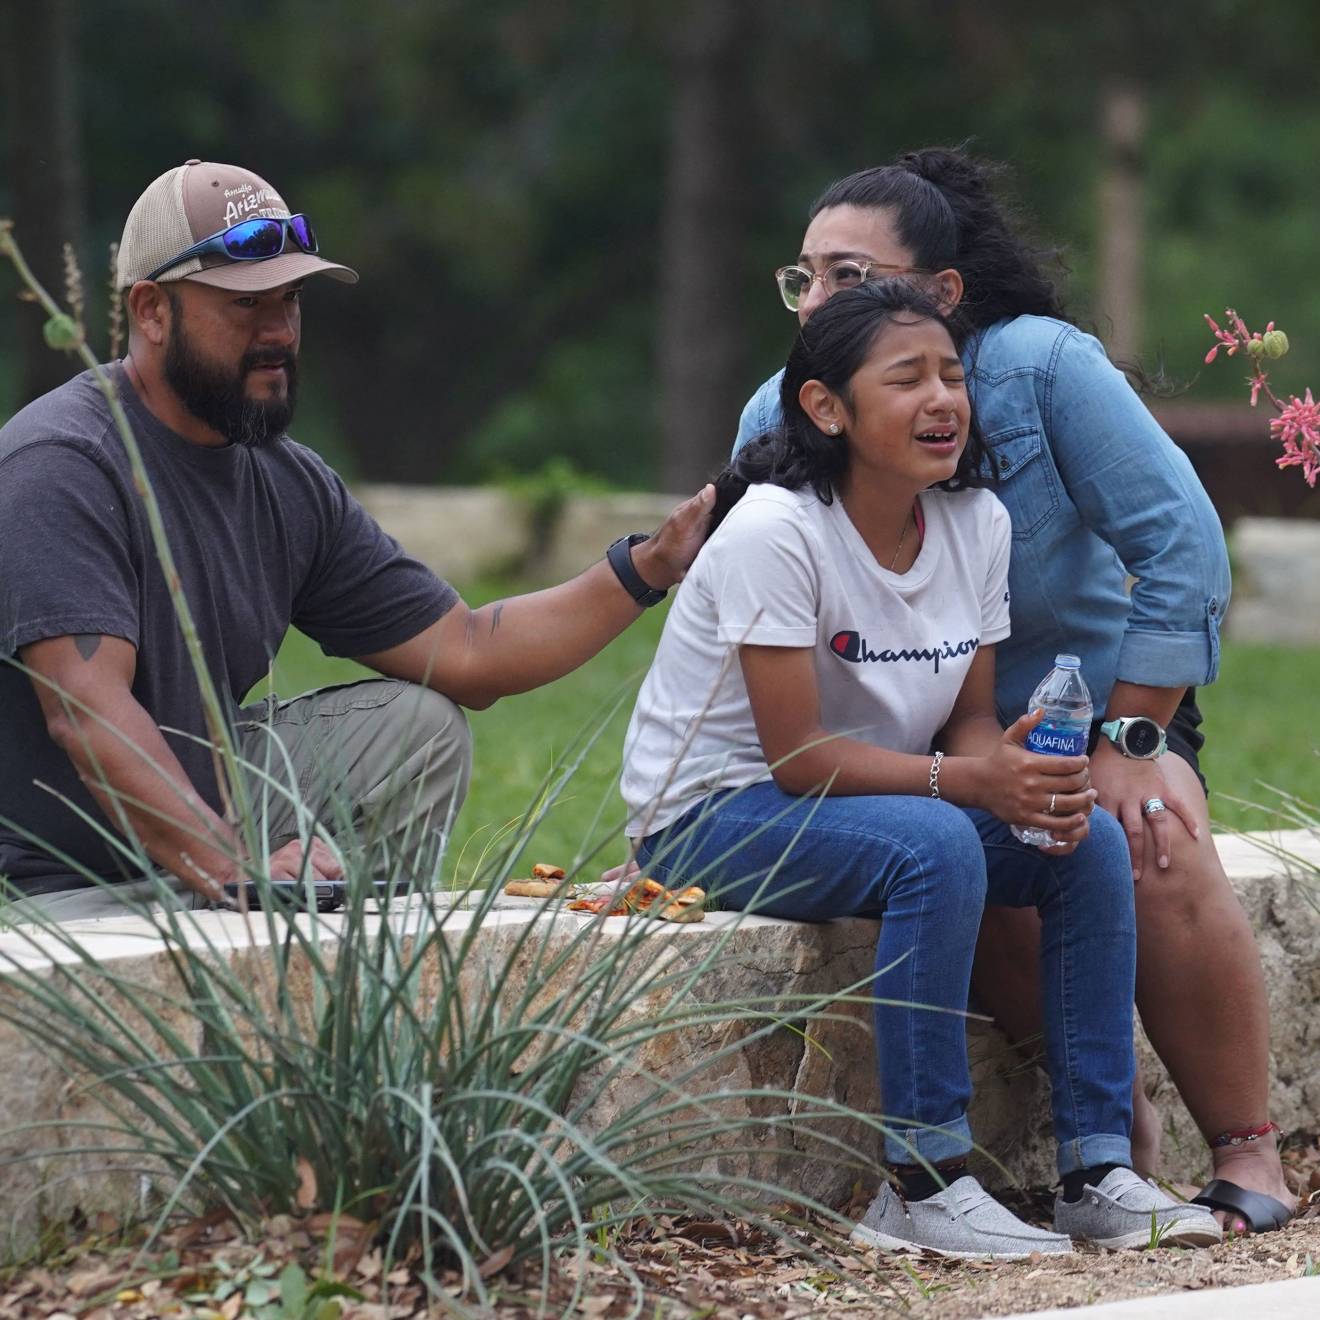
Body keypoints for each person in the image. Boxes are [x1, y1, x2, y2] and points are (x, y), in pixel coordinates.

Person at [729, 148, 1294, 1235]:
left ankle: (1248, 1149)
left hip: (1099, 704)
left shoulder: (1040, 371)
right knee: (973, 867)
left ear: (943, 293)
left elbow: (1181, 550)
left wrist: (1130, 744)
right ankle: (1113, 1138)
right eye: (805, 278)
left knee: (1144, 836)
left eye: (851, 276)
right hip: (905, 737)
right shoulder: (784, 407)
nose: (819, 303)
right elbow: (743, 613)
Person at [621, 280, 1220, 1257]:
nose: (943, 398)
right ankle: (924, 1183)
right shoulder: (775, 531)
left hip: (874, 803)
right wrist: (968, 785)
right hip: (709, 815)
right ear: (826, 407)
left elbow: (972, 723)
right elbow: (799, 758)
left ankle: (1100, 1172)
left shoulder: (975, 523)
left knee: (1083, 842)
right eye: (906, 379)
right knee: (938, 844)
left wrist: (1020, 774)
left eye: (952, 375)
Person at [0, 159, 712, 922]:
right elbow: (86, 712)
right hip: (51, 883)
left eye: (291, 299)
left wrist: (649, 566)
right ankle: (242, 913)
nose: (278, 331)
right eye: (246, 305)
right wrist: (232, 865)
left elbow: (467, 653)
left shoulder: (285, 482)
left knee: (420, 729)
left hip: (202, 836)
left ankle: (344, 988)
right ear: (151, 311)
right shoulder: (64, 464)